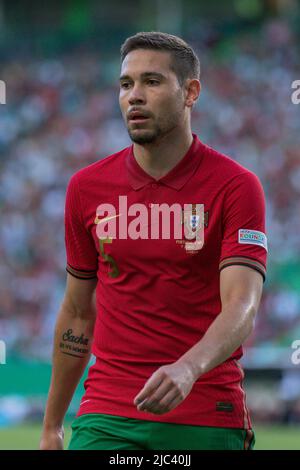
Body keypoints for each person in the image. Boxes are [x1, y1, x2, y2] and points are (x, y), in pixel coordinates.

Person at [40, 31, 268, 451]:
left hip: (207, 413)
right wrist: (52, 425)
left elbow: (243, 305)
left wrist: (188, 368)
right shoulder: (86, 188)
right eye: (126, 85)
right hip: (105, 415)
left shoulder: (236, 186)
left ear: (190, 92)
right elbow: (77, 312)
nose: (134, 96)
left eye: (152, 81)